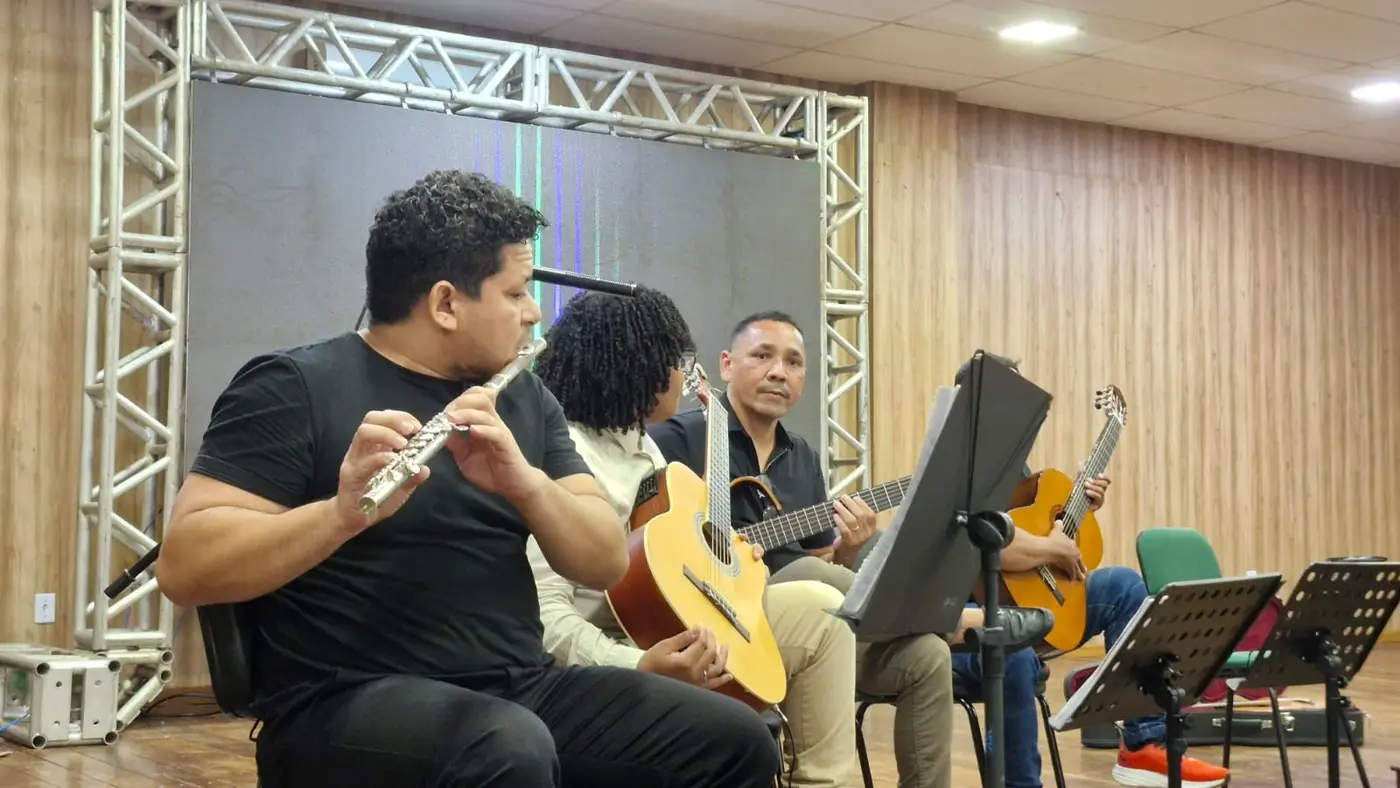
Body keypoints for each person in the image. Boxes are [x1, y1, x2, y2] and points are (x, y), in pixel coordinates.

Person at [156, 170, 781, 788]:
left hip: (518, 688)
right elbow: (186, 567)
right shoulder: (293, 387)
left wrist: (525, 485)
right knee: (506, 748)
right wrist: (340, 514)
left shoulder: (524, 399)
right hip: (339, 702)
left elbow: (602, 562)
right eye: (516, 294)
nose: (533, 313)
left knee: (734, 739)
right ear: (446, 304)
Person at [649, 311, 1048, 788]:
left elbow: (825, 560)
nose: (779, 372)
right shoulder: (679, 438)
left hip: (816, 627)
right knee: (816, 579)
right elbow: (650, 537)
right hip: (725, 613)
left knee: (927, 657)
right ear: (727, 364)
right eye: (763, 356)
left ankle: (933, 632)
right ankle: (951, 620)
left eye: (794, 362)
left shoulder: (803, 457)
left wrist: (847, 548)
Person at [529, 287, 861, 787]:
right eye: (675, 360)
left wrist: (733, 562)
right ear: (637, 365)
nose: (683, 375)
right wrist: (640, 663)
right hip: (618, 644)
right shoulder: (566, 456)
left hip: (683, 617)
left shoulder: (644, 447)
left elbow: (672, 555)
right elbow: (547, 618)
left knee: (822, 613)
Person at [953, 353, 1229, 788]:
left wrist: (1079, 507)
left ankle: (1143, 744)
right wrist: (1053, 546)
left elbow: (1042, 540)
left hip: (1026, 606)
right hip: (967, 627)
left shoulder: (1017, 469)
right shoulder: (954, 469)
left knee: (1124, 587)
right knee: (1014, 652)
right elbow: (982, 545)